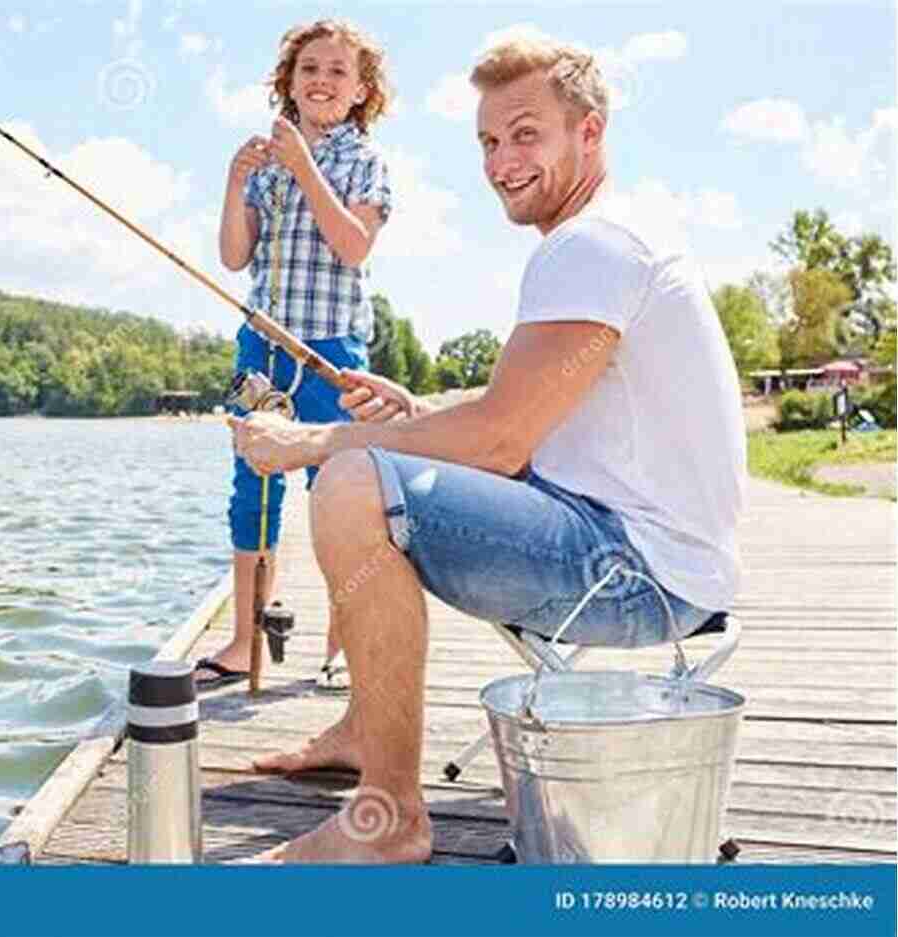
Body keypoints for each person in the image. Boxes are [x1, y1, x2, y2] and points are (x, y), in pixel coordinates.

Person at [227, 34, 747, 862]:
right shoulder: (600, 235)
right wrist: (419, 411)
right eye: (489, 141)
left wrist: (311, 442)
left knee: (351, 483)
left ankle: (390, 815)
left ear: (590, 131)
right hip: (642, 550)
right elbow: (524, 414)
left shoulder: (594, 244)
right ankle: (367, 728)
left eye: (526, 134)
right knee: (368, 467)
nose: (503, 160)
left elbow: (502, 441)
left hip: (632, 573)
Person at [195, 19, 395, 691]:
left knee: (338, 493)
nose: (322, 80)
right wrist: (234, 181)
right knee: (251, 487)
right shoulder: (266, 158)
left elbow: (354, 245)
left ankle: (343, 644)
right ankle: (244, 639)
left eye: (339, 71)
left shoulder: (363, 159)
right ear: (289, 80)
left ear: (362, 90)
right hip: (260, 344)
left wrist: (304, 166)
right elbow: (233, 255)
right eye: (310, 68)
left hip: (331, 350)